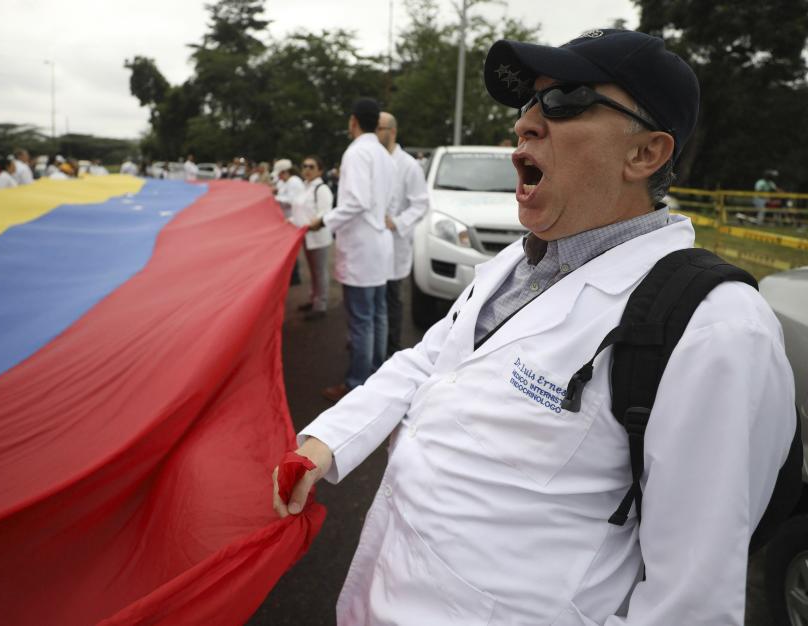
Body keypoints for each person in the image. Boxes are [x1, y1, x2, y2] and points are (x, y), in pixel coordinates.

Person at [277, 29, 795, 624]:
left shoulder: (714, 330)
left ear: (645, 154)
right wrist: (326, 443)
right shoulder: (512, 265)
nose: (525, 123)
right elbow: (430, 361)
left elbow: (691, 602)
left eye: (565, 101)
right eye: (528, 104)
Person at [308, 98, 395, 402]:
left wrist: (323, 220)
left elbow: (356, 201)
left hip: (362, 246)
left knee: (362, 319)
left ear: (354, 121)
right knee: (377, 314)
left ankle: (358, 383)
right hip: (378, 244)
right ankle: (376, 372)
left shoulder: (357, 152)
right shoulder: (384, 154)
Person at [375, 112, 430, 356]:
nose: (374, 133)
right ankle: (373, 340)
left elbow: (420, 204)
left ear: (393, 132)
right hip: (371, 244)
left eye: (379, 128)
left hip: (395, 242)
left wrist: (396, 222)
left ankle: (390, 348)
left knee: (392, 299)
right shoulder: (372, 160)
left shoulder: (408, 165)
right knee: (372, 297)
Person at [289, 156, 334, 320]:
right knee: (313, 272)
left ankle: (320, 305)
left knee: (320, 271)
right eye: (304, 166)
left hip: (317, 237)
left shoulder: (321, 188)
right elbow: (299, 212)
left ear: (319, 170)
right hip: (306, 237)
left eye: (311, 167)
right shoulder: (305, 187)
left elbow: (325, 211)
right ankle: (314, 298)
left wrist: (313, 223)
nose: (307, 169)